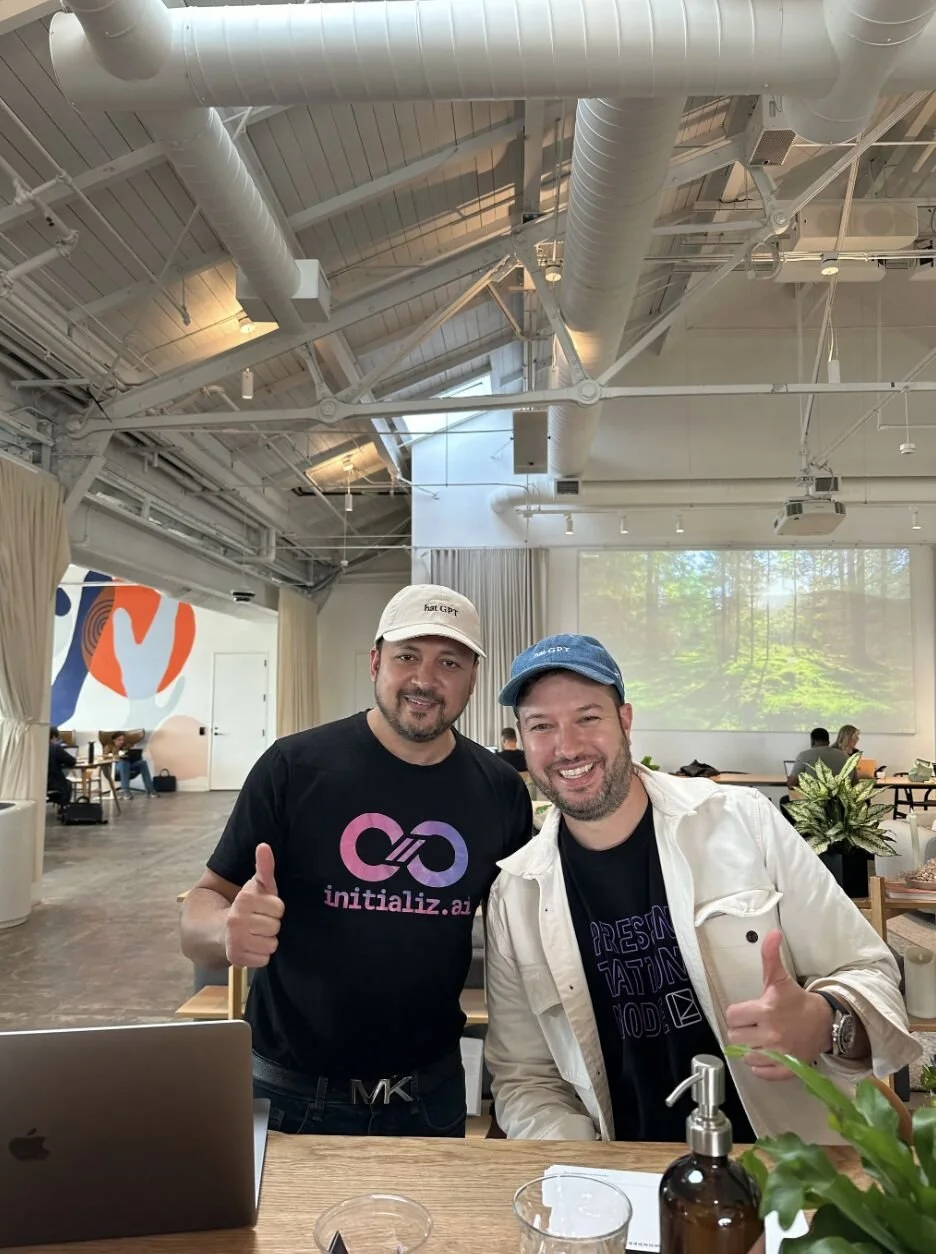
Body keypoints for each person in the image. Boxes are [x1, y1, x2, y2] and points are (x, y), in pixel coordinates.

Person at [484, 633, 917, 1144]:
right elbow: (526, 1077)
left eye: (587, 717)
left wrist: (826, 1021)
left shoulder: (741, 821)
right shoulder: (517, 895)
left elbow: (869, 969)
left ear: (625, 720)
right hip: (621, 1185)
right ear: (522, 738)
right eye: (541, 726)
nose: (568, 746)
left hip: (784, 1168)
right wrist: (582, 1170)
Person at [180, 584, 532, 1138]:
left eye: (449, 662)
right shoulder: (294, 766)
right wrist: (224, 930)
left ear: (473, 678)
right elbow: (203, 902)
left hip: (431, 1097)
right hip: (288, 1097)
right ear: (375, 662)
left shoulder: (499, 791)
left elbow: (525, 932)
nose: (425, 679)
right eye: (407, 657)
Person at [786, 727, 851, 788]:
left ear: (812, 741)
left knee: (784, 799)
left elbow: (792, 784)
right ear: (828, 742)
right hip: (840, 799)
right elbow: (854, 782)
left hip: (813, 799)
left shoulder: (804, 755)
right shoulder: (845, 756)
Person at [111, 732, 156, 798]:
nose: (121, 742)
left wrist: (130, 752)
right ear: (114, 740)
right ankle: (125, 791)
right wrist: (117, 753)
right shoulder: (109, 747)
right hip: (115, 767)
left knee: (142, 763)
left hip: (128, 765)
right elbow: (106, 757)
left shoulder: (125, 746)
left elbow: (130, 757)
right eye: (119, 740)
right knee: (124, 763)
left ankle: (150, 790)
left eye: (123, 740)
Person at [47, 727, 76, 807]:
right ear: (53, 736)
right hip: (53, 784)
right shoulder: (55, 748)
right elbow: (72, 761)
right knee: (68, 784)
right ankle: (64, 809)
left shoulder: (36, 747)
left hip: (37, 784)